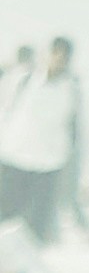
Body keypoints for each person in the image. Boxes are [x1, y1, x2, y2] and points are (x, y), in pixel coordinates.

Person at [0, 36, 80, 246]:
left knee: (35, 230)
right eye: (55, 54)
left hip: (47, 166)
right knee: (5, 222)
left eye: (63, 57)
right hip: (14, 159)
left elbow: (78, 130)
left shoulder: (72, 90)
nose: (58, 60)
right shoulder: (22, 79)